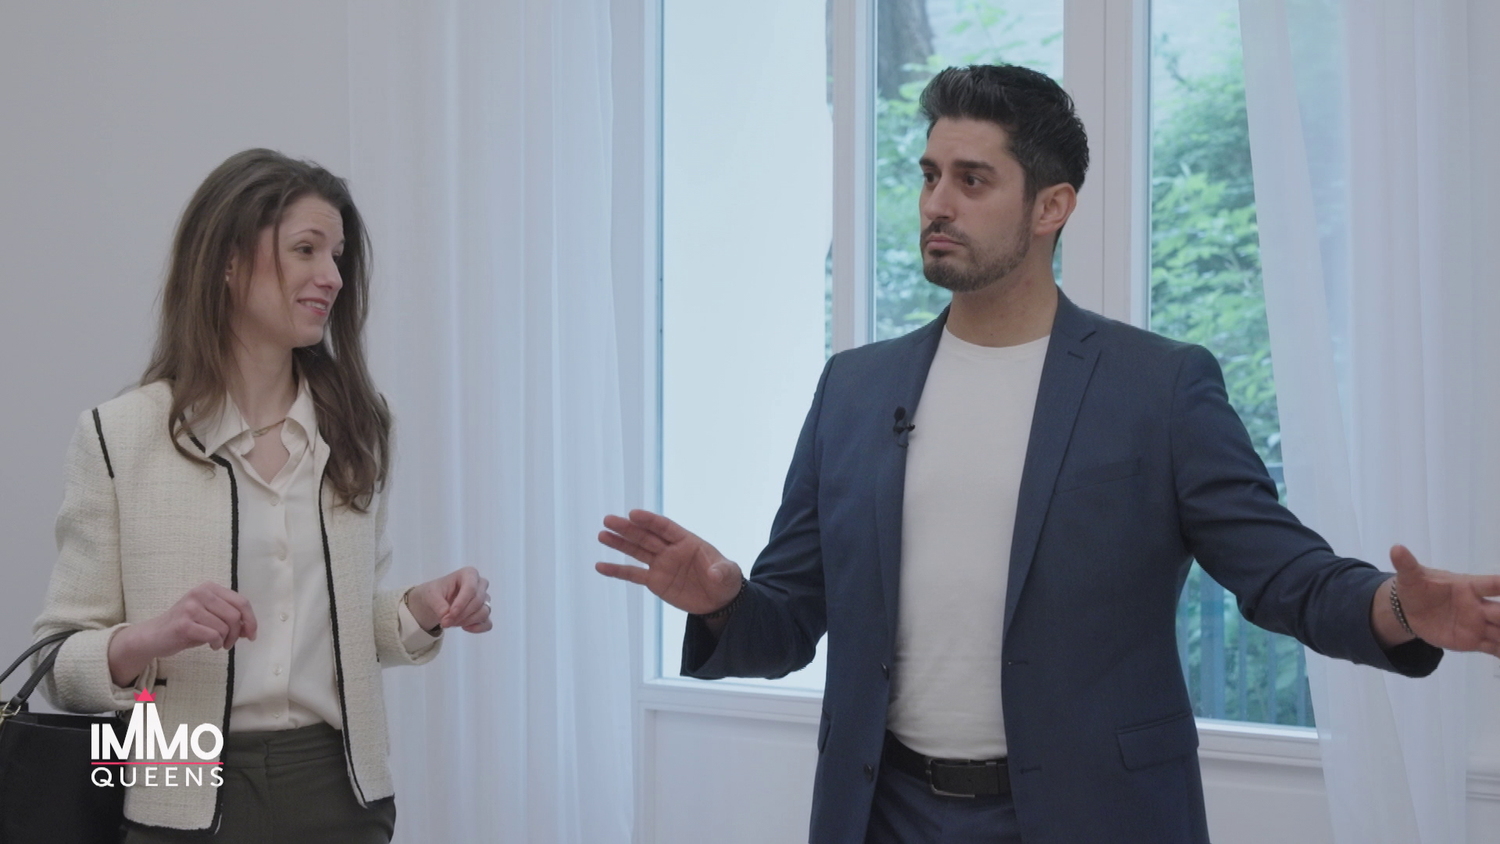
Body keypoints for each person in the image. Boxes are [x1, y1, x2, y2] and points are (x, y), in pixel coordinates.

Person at [596, 65, 1500, 844]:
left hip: (1091, 813)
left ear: (1052, 206)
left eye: (973, 180)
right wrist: (723, 603)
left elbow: (1284, 575)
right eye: (930, 176)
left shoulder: (1159, 387)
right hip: (884, 812)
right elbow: (788, 625)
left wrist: (1399, 609)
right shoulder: (855, 388)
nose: (937, 203)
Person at [32, 149, 493, 842]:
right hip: (177, 782)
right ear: (227, 261)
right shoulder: (118, 436)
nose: (331, 276)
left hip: (340, 790)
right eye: (306, 249)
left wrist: (419, 610)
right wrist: (154, 635)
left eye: (337, 256)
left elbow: (342, 626)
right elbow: (58, 663)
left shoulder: (361, 427)